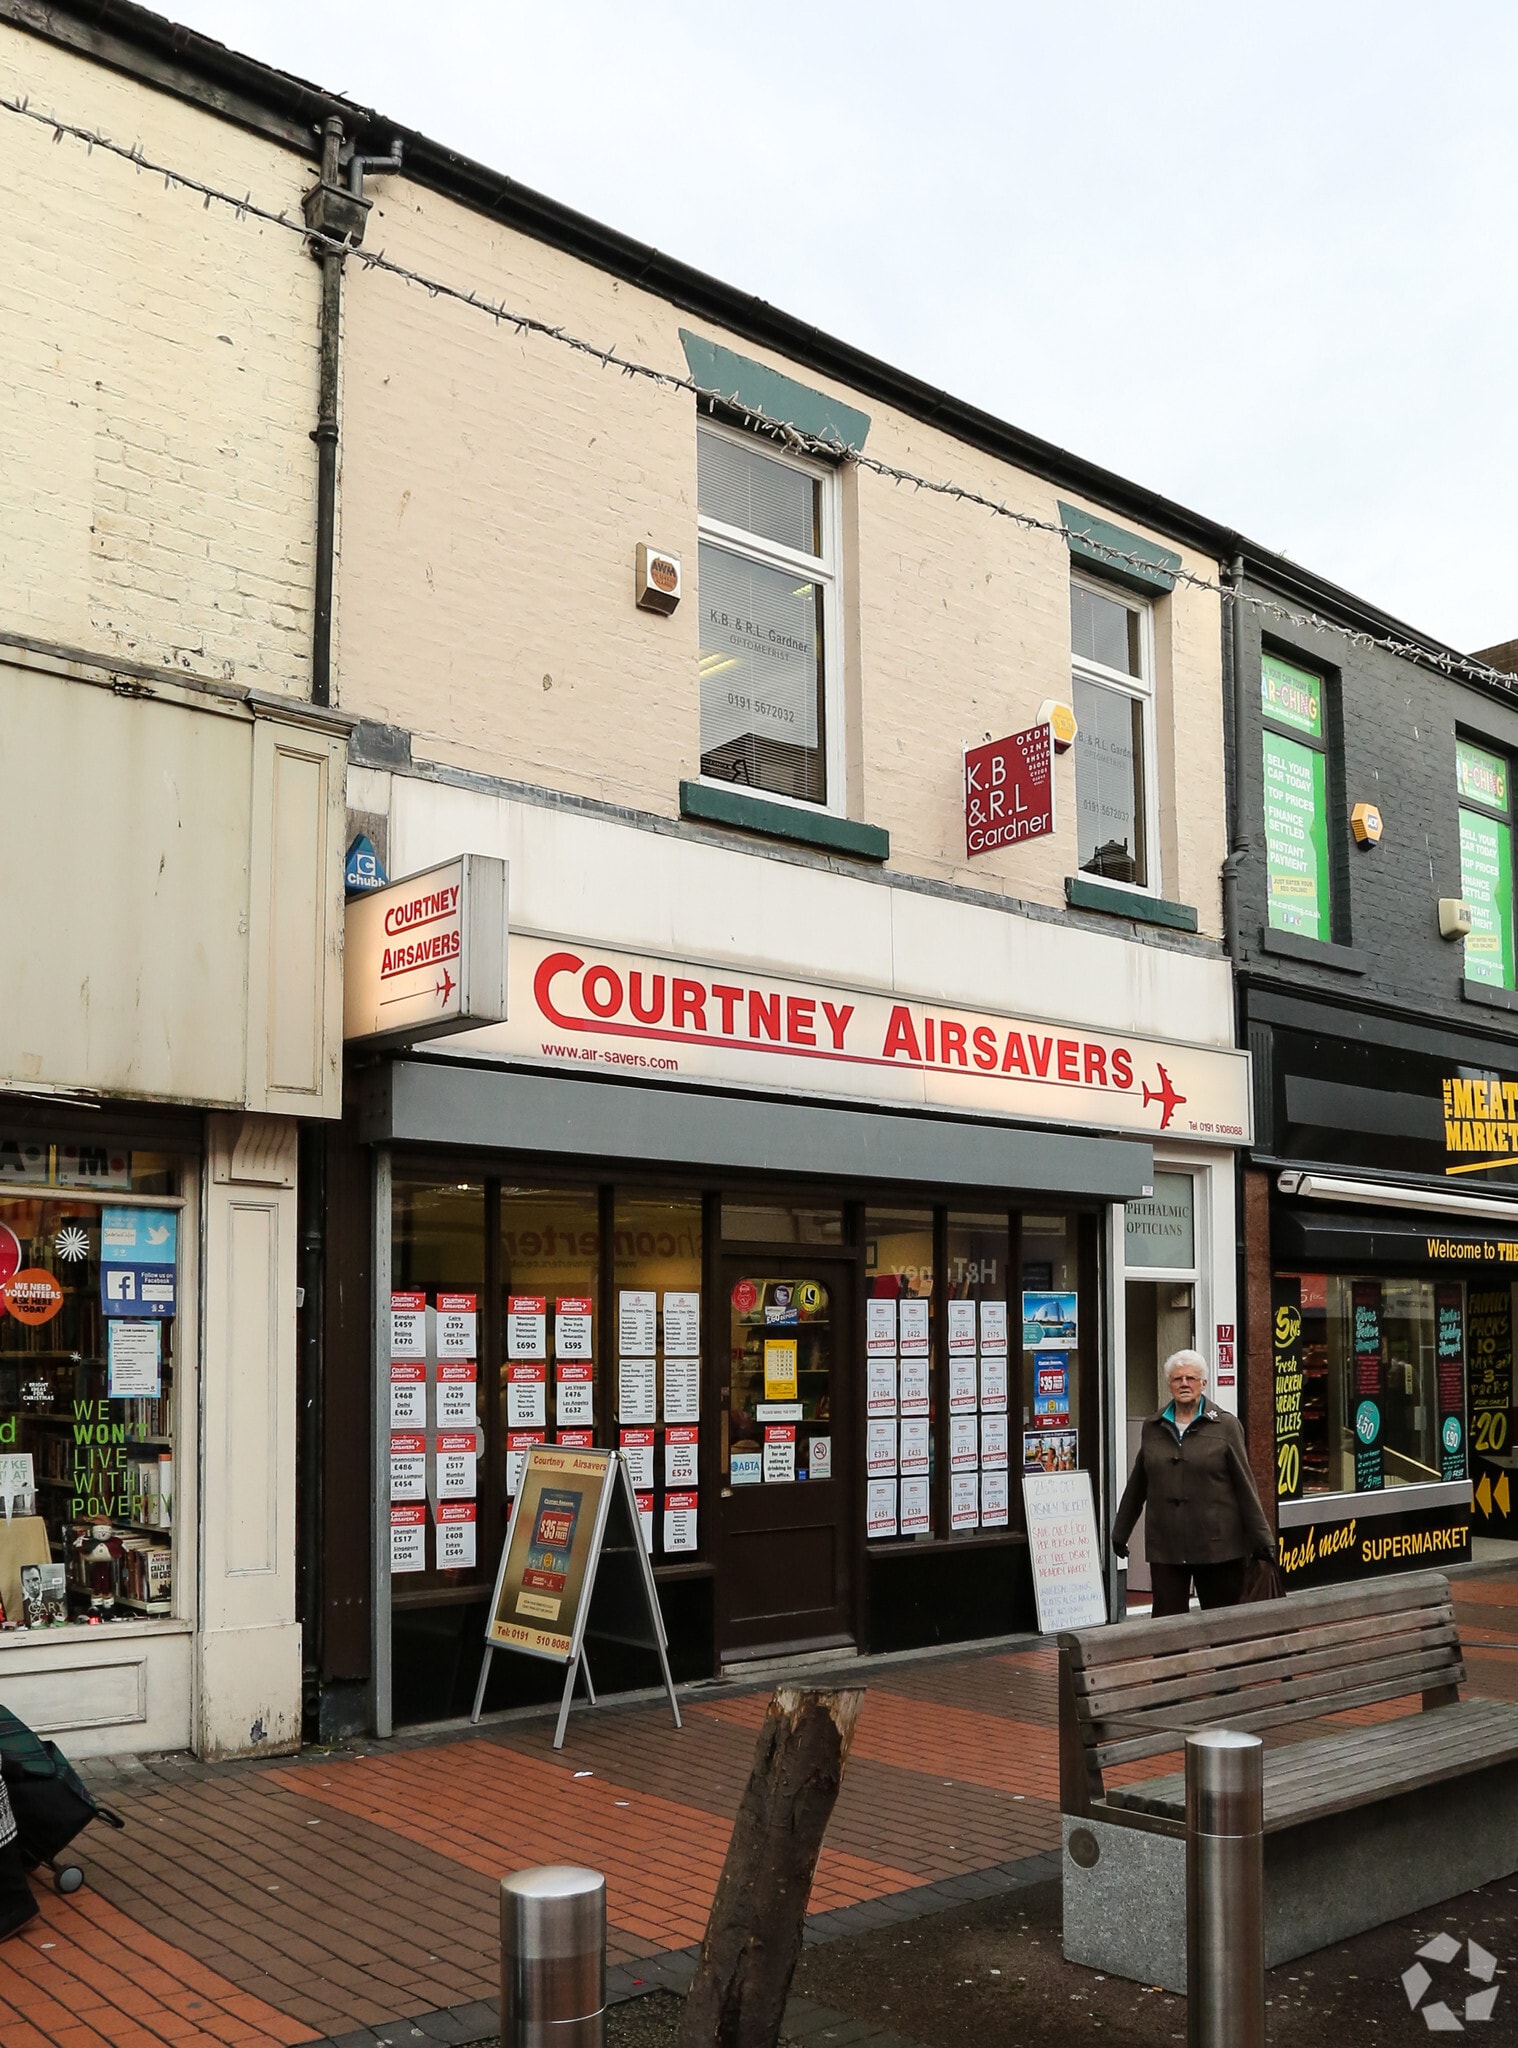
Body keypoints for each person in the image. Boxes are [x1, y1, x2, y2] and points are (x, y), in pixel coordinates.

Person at [1112, 1349, 1274, 1616]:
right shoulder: (1153, 1426)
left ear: (1203, 1384)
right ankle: (1172, 1661)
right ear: (1169, 1384)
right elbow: (1138, 1483)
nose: (1184, 1384)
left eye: (1190, 1378)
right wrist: (1120, 1532)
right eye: (1177, 1379)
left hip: (1218, 1546)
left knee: (1221, 1625)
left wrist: (1262, 1539)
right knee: (1168, 1625)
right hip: (1167, 1545)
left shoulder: (1225, 1426)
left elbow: (1246, 1486)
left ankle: (1222, 1661)